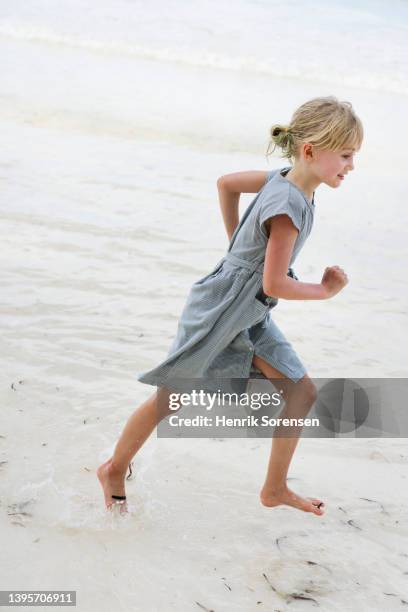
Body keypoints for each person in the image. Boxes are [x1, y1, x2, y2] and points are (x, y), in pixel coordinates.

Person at [97, 95, 364, 515]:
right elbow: (274, 281)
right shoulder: (289, 205)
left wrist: (237, 251)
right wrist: (324, 290)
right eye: (346, 155)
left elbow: (225, 183)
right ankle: (114, 469)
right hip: (224, 310)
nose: (351, 166)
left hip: (248, 308)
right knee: (170, 398)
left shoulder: (283, 179)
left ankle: (274, 489)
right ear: (311, 151)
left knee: (301, 390)